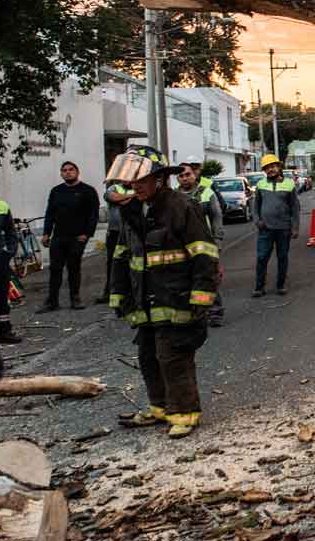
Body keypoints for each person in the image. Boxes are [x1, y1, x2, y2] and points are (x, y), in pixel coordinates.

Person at [107, 145, 217, 439]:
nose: (135, 185)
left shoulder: (181, 207)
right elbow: (121, 255)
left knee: (173, 357)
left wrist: (201, 296)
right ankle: (160, 408)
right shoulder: (132, 210)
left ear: (159, 179)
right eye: (132, 180)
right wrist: (118, 293)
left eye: (141, 179)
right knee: (148, 356)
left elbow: (204, 253)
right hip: (144, 300)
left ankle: (186, 413)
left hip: (175, 298)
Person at [39, 161, 100, 312]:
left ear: (77, 172)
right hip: (59, 236)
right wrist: (46, 233)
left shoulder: (88, 191)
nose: (67, 172)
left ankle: (75, 298)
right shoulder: (56, 191)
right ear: (61, 173)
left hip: (78, 237)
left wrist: (87, 234)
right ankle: (52, 301)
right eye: (64, 170)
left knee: (73, 267)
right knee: (55, 269)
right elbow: (50, 213)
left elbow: (93, 215)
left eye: (71, 170)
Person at [178, 161, 226, 326]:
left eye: (188, 174)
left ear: (195, 175)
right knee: (187, 280)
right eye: (181, 176)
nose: (185, 178)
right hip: (183, 247)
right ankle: (197, 312)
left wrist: (217, 241)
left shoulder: (206, 193)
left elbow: (217, 218)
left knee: (209, 279)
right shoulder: (174, 196)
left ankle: (214, 312)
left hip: (205, 246)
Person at [252, 154, 299, 297]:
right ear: (264, 170)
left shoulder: (289, 184)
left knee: (282, 257)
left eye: (273, 166)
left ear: (279, 167)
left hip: (284, 229)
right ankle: (259, 287)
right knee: (261, 258)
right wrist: (258, 221)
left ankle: (281, 285)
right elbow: (255, 206)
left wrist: (295, 227)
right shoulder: (260, 184)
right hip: (265, 229)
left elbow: (295, 208)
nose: (270, 169)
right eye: (267, 168)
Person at [96, 181, 135, 305]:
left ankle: (132, 291)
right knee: (113, 263)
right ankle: (109, 292)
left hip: (134, 232)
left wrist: (123, 198)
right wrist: (133, 196)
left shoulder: (138, 186)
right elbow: (112, 197)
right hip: (115, 233)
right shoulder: (114, 188)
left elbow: (119, 199)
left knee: (135, 262)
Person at [0, 196, 23, 344]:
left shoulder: (1, 206)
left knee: (1, 296)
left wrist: (9, 252)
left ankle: (4, 332)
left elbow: (11, 233)